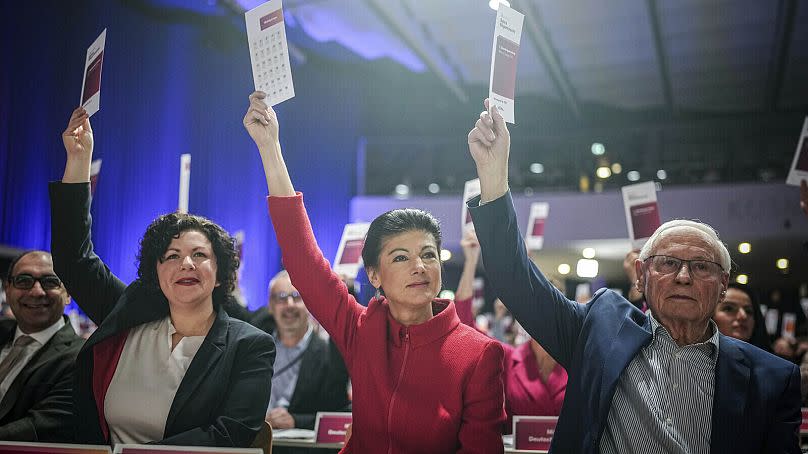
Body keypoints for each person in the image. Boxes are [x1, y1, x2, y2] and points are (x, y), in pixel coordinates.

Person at [466, 99, 801, 453]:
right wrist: (493, 174)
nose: (683, 277)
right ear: (641, 276)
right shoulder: (600, 331)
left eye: (701, 266)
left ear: (723, 286)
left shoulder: (772, 380)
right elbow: (515, 280)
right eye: (668, 263)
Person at [243, 91, 505, 453]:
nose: (419, 266)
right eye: (400, 257)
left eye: (428, 254)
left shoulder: (478, 354)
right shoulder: (362, 330)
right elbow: (303, 261)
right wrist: (270, 147)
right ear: (374, 275)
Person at [50, 107, 276, 446]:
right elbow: (73, 260)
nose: (185, 263)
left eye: (199, 255)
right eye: (171, 256)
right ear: (156, 274)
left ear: (220, 274)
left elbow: (228, 436)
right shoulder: (126, 314)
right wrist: (78, 161)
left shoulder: (249, 346)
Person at [454, 230, 566, 429]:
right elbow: (464, 325)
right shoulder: (509, 358)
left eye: (550, 308)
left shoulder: (575, 359)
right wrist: (471, 262)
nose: (542, 316)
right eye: (535, 307)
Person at [0, 251, 84, 441]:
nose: (37, 291)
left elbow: (38, 428)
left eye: (50, 281)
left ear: (68, 293)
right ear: (8, 290)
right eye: (23, 280)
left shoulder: (82, 359)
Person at [261, 270, 350, 439]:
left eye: (297, 296)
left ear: (309, 304)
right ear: (271, 306)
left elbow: (340, 414)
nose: (289, 304)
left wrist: (296, 421)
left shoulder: (328, 355)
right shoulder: (257, 349)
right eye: (281, 297)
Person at [713, 283, 770, 351]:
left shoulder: (773, 360)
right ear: (710, 315)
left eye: (748, 311)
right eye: (729, 308)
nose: (743, 316)